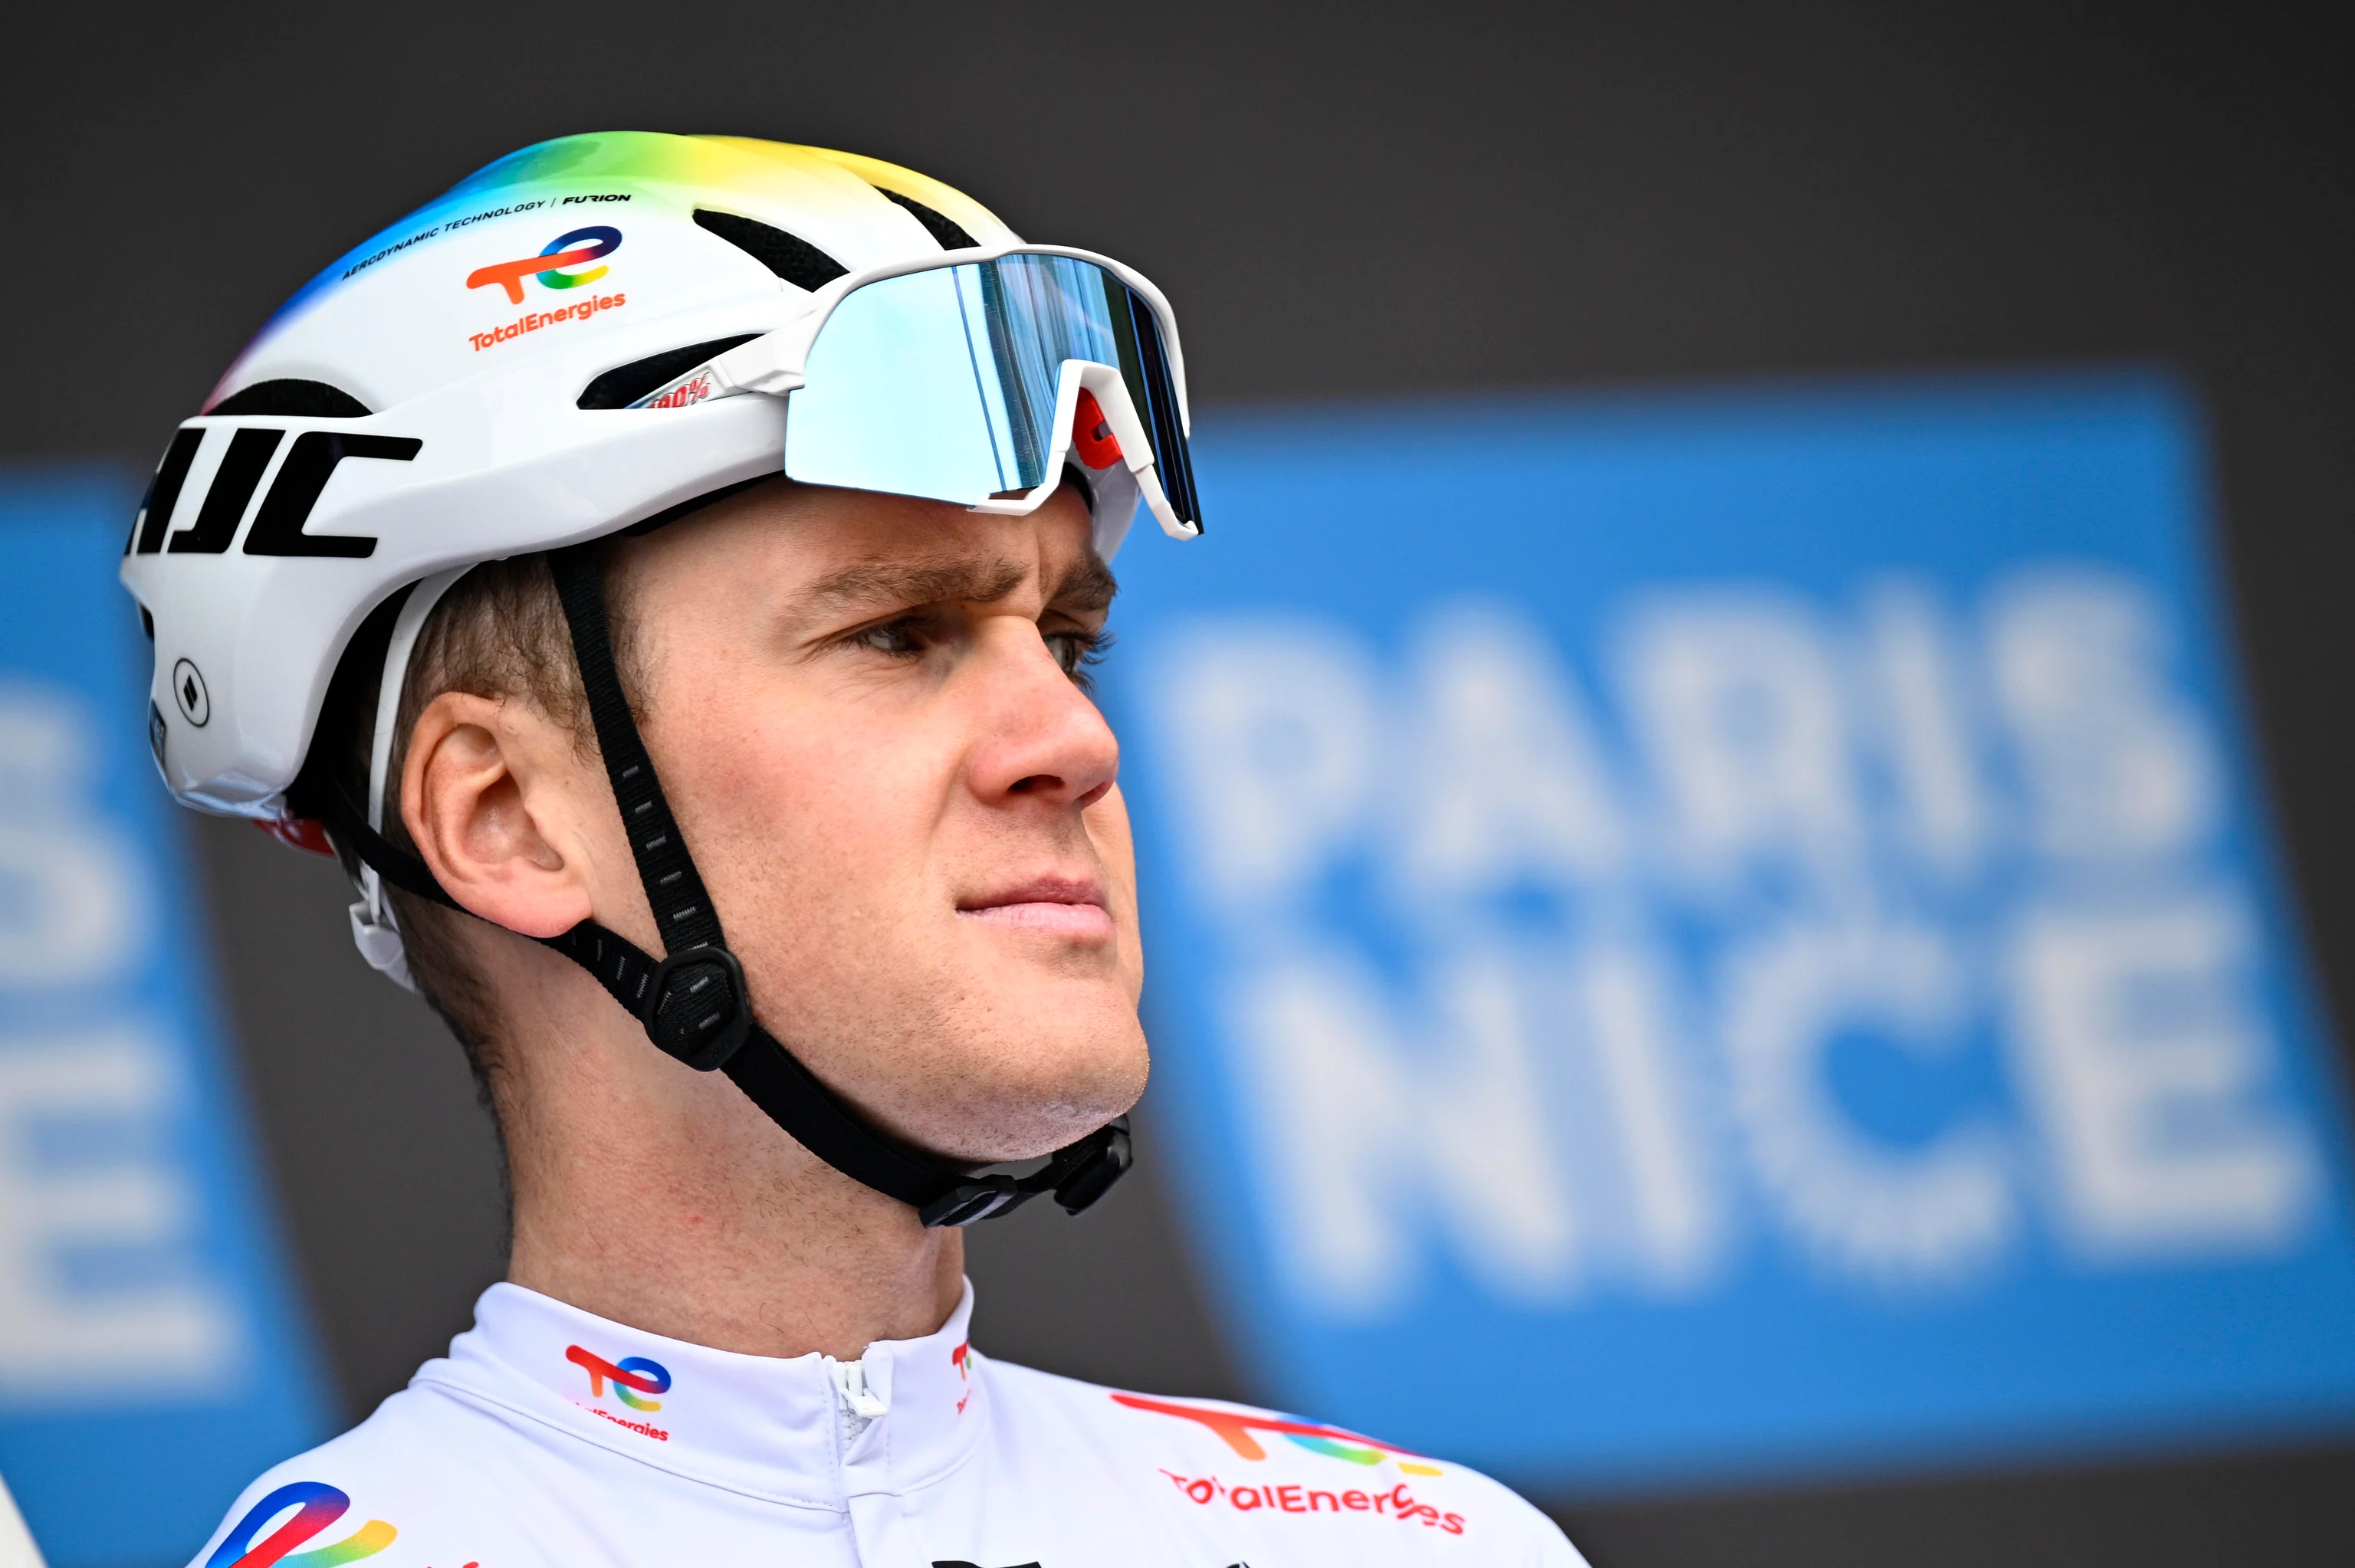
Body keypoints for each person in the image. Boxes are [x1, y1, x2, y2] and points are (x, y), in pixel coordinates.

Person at [126, 132, 1587, 1568]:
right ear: (506, 816)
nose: (1076, 744)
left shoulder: (1429, 1544)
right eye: (896, 633)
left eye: (1069, 640)